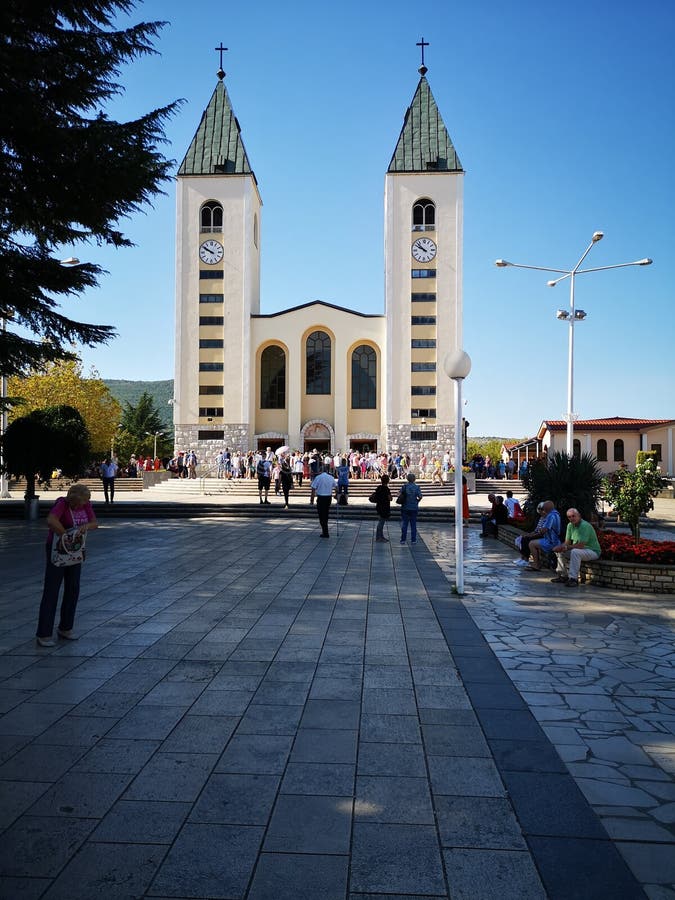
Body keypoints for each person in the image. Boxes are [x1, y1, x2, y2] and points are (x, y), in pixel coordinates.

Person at [36, 484, 98, 647]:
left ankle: (66, 627)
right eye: (77, 504)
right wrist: (65, 534)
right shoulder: (62, 503)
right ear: (72, 500)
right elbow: (51, 520)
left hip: (75, 551)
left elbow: (94, 523)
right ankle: (44, 633)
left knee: (73, 588)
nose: (80, 506)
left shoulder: (86, 504)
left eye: (83, 504)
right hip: (57, 549)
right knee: (52, 589)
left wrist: (85, 527)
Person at [551, 508, 601, 587]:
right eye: (569, 517)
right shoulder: (570, 525)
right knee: (561, 551)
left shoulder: (585, 525)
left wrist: (567, 547)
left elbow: (581, 545)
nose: (571, 518)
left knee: (575, 551)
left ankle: (573, 579)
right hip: (580, 550)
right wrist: (560, 547)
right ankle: (563, 576)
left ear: (579, 516)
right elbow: (567, 542)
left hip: (592, 551)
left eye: (573, 516)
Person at [525, 501, 561, 571]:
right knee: (535, 542)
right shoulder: (556, 514)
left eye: (544, 508)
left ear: (546, 509)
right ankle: (539, 563)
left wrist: (540, 530)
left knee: (531, 544)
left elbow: (544, 530)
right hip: (556, 540)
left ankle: (536, 565)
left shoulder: (550, 516)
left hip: (551, 542)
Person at [514, 501, 546, 568]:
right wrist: (529, 534)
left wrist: (530, 535)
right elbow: (536, 530)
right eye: (539, 509)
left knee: (526, 540)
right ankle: (522, 557)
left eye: (542, 509)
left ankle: (526, 559)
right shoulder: (541, 518)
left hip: (541, 536)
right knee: (522, 538)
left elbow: (541, 532)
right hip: (537, 534)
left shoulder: (547, 518)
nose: (540, 511)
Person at [311, 464, 337, 538]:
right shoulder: (331, 477)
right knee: (326, 513)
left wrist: (311, 500)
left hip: (321, 497)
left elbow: (313, 489)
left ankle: (325, 531)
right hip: (328, 497)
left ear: (321, 470)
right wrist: (336, 495)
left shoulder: (318, 477)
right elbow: (336, 487)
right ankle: (325, 530)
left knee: (321, 514)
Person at [398, 472, 423, 544]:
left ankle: (403, 539)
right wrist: (417, 501)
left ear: (407, 479)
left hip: (405, 507)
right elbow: (420, 496)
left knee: (404, 523)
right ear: (414, 479)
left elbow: (399, 493)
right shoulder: (417, 487)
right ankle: (413, 539)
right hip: (414, 507)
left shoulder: (404, 486)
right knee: (413, 524)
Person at [371, 473, 393, 542]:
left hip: (379, 506)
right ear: (388, 481)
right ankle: (378, 537)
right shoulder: (386, 489)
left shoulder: (379, 487)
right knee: (381, 522)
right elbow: (390, 498)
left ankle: (381, 536)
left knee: (381, 521)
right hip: (384, 506)